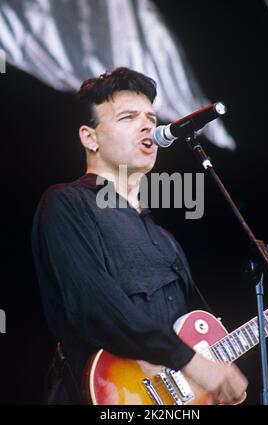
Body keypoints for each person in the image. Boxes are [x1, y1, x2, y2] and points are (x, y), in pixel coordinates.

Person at [31, 67, 249, 405]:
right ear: (90, 138)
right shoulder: (65, 203)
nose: (148, 125)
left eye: (151, 116)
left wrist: (221, 378)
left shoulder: (165, 240)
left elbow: (199, 336)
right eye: (128, 117)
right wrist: (193, 364)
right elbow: (96, 307)